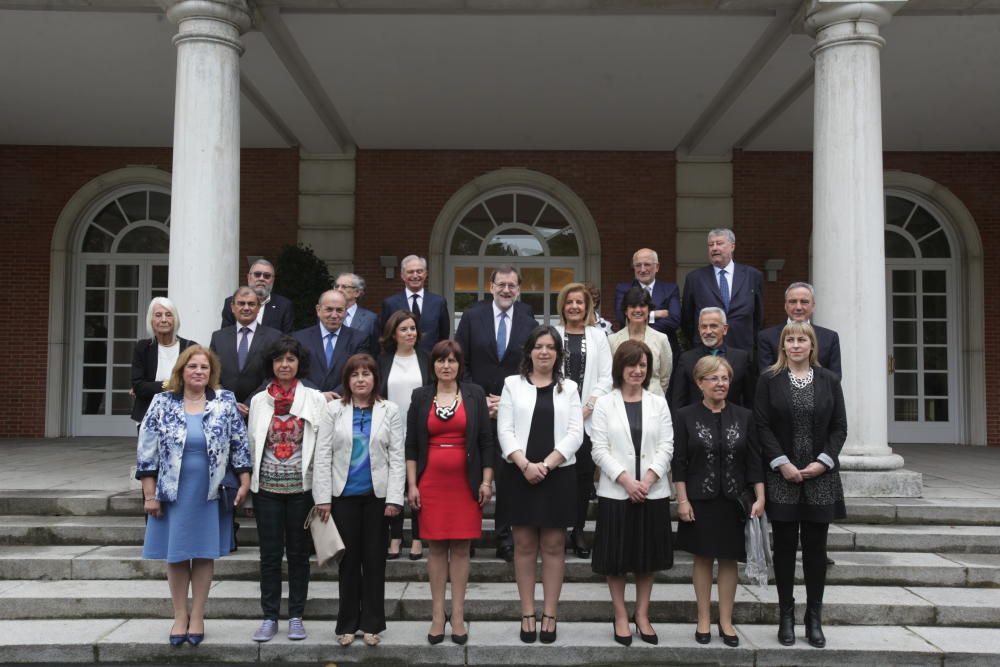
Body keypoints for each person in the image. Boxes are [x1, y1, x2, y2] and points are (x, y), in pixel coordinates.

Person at [136, 345, 251, 646]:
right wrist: (150, 495)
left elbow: (240, 444)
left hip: (209, 491)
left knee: (202, 554)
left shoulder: (224, 401)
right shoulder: (162, 402)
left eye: (204, 367)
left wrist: (245, 481)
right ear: (181, 371)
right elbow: (146, 452)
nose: (199, 371)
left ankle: (198, 614)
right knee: (176, 555)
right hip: (171, 491)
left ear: (212, 373)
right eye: (193, 366)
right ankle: (179, 615)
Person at [755, 322, 846, 649]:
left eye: (801, 340)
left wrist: (823, 461)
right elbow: (761, 425)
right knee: (783, 550)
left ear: (811, 346)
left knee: (815, 551)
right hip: (783, 477)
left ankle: (814, 618)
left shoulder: (829, 380)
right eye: (790, 340)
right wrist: (783, 463)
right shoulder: (769, 380)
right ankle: (786, 616)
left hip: (820, 478)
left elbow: (839, 427)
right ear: (783, 346)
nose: (795, 345)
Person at [497, 326, 583, 645]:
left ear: (559, 354)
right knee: (523, 546)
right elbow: (504, 430)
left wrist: (545, 465)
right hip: (519, 474)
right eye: (538, 346)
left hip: (557, 474)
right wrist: (525, 464)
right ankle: (527, 613)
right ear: (529, 351)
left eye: (550, 347)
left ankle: (550, 614)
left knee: (553, 546)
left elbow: (576, 433)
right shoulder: (511, 385)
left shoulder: (570, 388)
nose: (544, 352)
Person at [406, 340, 494, 645]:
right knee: (436, 549)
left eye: (452, 361)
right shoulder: (420, 396)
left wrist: (486, 481)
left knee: (460, 549)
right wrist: (412, 484)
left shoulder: (474, 394)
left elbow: (486, 441)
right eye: (441, 361)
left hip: (466, 483)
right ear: (433, 365)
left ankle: (457, 616)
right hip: (430, 483)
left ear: (460, 365)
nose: (446, 366)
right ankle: (436, 616)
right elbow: (411, 446)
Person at [313, 354, 405, 647]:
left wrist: (394, 498)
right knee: (349, 563)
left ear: (376, 379)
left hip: (377, 498)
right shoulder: (332, 410)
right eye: (355, 375)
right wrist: (323, 498)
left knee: (375, 561)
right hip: (343, 498)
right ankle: (347, 624)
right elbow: (323, 453)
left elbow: (397, 457)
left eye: (367, 374)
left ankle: (372, 624)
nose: (361, 379)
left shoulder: (389, 410)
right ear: (347, 380)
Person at [674, 355, 765, 648]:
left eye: (725, 378)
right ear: (699, 382)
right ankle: (703, 618)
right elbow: (679, 463)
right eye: (713, 378)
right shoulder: (685, 415)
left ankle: (726, 620)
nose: (720, 383)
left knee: (728, 561)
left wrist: (760, 496)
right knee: (702, 559)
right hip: (699, 500)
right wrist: (682, 500)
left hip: (734, 500)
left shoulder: (744, 416)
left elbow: (754, 460)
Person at [589, 340, 674, 647]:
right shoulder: (604, 404)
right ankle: (621, 615)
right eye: (631, 365)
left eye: (642, 365)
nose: (637, 371)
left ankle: (642, 614)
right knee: (616, 560)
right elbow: (598, 449)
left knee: (646, 560)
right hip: (617, 492)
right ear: (619, 368)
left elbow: (667, 445)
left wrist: (648, 480)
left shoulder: (658, 402)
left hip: (652, 492)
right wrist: (625, 480)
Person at [247, 337, 327, 643]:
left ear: (299, 364)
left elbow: (322, 450)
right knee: (269, 555)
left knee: (297, 554)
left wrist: (322, 494)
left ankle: (296, 615)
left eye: (291, 359)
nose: (284, 364)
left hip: (301, 490)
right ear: (271, 363)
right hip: (266, 489)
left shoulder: (314, 399)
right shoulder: (258, 401)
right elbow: (254, 445)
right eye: (279, 359)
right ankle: (269, 616)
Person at [454, 265, 536, 562]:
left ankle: (505, 539)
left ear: (519, 289)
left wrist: (507, 400)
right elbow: (459, 360)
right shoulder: (473, 316)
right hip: (475, 408)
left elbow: (529, 367)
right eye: (501, 284)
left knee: (507, 478)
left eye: (511, 286)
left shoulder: (528, 319)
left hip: (511, 410)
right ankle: (468, 536)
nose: (506, 290)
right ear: (491, 287)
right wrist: (478, 399)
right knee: (472, 474)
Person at [553, 282, 613, 559]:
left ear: (587, 306)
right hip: (556, 418)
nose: (574, 307)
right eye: (569, 302)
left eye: (579, 302)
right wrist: (566, 409)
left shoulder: (598, 335)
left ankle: (578, 530)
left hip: (589, 420)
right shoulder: (553, 333)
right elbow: (545, 371)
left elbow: (606, 377)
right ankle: (557, 530)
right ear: (562, 306)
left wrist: (587, 407)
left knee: (582, 477)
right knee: (558, 475)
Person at [378, 310, 432, 561]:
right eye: (404, 329)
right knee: (394, 485)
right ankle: (395, 537)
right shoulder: (382, 361)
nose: (410, 333)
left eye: (413, 328)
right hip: (390, 432)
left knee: (418, 485)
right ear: (393, 333)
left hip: (422, 432)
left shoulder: (427, 359)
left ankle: (419, 538)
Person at [681, 229, 764, 355]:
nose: (714, 248)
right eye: (711, 245)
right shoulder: (695, 278)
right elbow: (687, 319)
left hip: (742, 350)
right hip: (706, 351)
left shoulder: (752, 276)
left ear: (732, 246)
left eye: (719, 243)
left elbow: (759, 316)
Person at [209, 286, 283, 417]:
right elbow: (212, 374)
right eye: (241, 303)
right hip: (223, 411)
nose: (246, 308)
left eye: (251, 304)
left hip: (261, 411)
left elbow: (274, 375)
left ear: (259, 308)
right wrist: (230, 403)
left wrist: (250, 404)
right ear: (232, 307)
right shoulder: (218, 337)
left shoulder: (274, 337)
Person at [669, 307, 755, 410]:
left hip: (732, 422)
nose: (708, 331)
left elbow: (750, 400)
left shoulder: (741, 358)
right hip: (696, 422)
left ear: (725, 329)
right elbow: (678, 401)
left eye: (713, 326)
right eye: (704, 327)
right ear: (699, 329)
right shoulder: (687, 359)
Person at [292, 289, 370, 400]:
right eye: (329, 309)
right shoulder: (299, 338)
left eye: (339, 310)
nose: (334, 315)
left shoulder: (359, 339)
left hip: (344, 402)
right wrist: (318, 395)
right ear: (318, 310)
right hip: (308, 402)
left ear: (345, 311)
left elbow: (359, 372)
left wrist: (334, 395)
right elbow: (295, 371)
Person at [131, 297, 196, 425]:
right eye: (158, 315)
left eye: (168, 315)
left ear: (175, 319)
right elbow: (138, 386)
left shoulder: (190, 347)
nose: (164, 320)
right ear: (151, 320)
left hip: (184, 415)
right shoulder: (142, 348)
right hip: (148, 416)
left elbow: (196, 383)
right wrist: (171, 384)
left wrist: (153, 386)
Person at [758, 282, 842, 379]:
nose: (798, 307)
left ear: (813, 306)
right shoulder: (766, 337)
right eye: (793, 302)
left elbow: (835, 378)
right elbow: (766, 376)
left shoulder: (830, 337)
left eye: (804, 302)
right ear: (785, 306)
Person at [614, 248, 681, 359]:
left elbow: (674, 320)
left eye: (647, 264)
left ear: (657, 267)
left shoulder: (670, 289)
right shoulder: (623, 289)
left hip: (662, 351)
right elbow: (622, 317)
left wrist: (637, 322)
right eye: (638, 265)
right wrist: (655, 314)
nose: (642, 269)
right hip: (631, 350)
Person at [608, 287, 672, 397]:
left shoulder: (661, 339)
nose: (638, 310)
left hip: (654, 400)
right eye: (633, 306)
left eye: (642, 306)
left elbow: (664, 377)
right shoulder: (612, 340)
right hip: (621, 400)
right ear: (625, 311)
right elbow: (610, 375)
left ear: (649, 310)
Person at [380, 255, 451, 353]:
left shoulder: (439, 302)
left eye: (419, 271)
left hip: (429, 362)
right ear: (402, 276)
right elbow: (385, 336)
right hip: (400, 360)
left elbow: (443, 336)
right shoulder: (390, 303)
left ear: (425, 274)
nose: (415, 275)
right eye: (410, 272)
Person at [221, 259, 294, 333]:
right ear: (248, 277)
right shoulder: (232, 302)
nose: (262, 278)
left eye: (267, 276)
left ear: (273, 280)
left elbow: (287, 340)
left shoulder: (284, 305)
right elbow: (225, 336)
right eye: (257, 274)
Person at [336, 272, 381, 354]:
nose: (339, 290)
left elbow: (375, 349)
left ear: (357, 293)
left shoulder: (370, 319)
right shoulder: (326, 316)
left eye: (344, 287)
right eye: (337, 286)